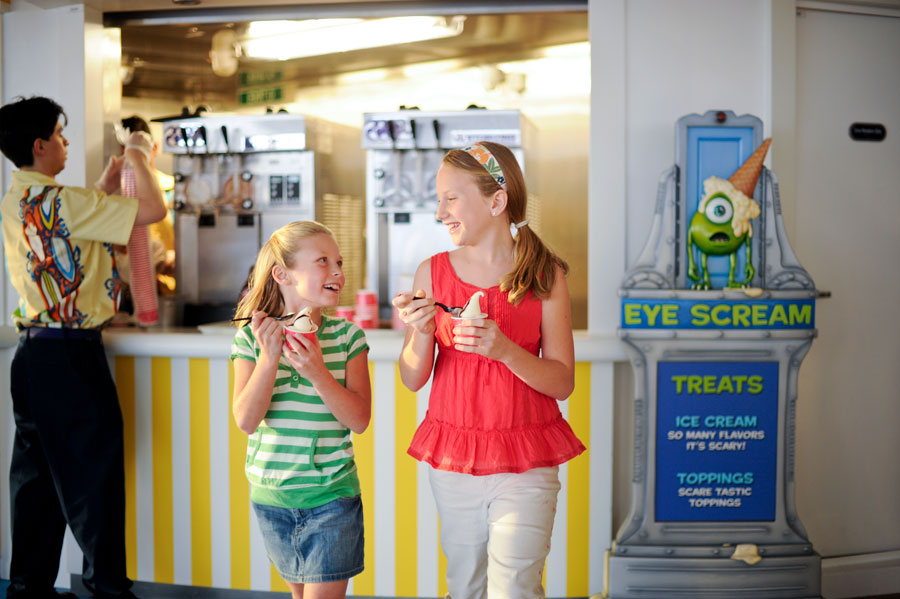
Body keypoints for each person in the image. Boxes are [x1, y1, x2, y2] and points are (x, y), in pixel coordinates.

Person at [392, 141, 585, 598]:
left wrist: (504, 349)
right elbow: (412, 377)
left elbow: (563, 381)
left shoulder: (545, 275)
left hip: (526, 460)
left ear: (497, 201)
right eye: (438, 199)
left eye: (450, 198)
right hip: (455, 456)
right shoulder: (431, 273)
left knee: (515, 588)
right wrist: (420, 331)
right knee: (465, 586)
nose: (440, 212)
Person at [0, 96, 166, 599]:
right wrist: (137, 154)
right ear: (40, 144)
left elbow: (62, 228)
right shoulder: (65, 202)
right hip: (71, 358)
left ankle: (28, 589)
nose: (67, 143)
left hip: (31, 357)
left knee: (36, 485)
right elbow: (155, 209)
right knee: (93, 480)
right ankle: (107, 589)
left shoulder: (19, 199)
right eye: (61, 135)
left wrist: (104, 187)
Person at [231, 221, 371, 599]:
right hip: (271, 498)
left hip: (331, 499)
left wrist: (318, 372)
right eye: (323, 261)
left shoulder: (347, 338)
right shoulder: (250, 338)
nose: (338, 272)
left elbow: (359, 420)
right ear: (282, 274)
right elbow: (246, 420)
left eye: (339, 262)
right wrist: (269, 359)